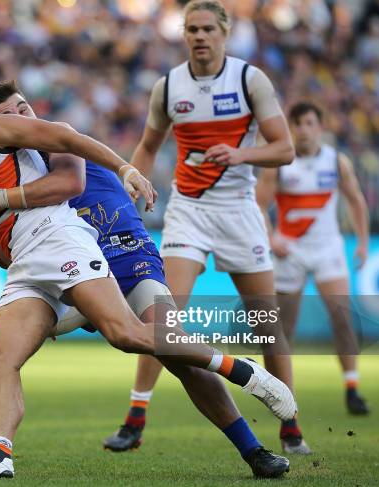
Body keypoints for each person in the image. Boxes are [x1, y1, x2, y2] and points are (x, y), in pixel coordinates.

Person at [0, 81, 296, 478]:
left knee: (139, 338)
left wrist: (126, 170)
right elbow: (1, 235)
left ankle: (246, 399)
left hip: (112, 253)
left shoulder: (17, 138)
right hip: (38, 262)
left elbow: (69, 176)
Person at [104, 0, 310, 455]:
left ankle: (290, 426)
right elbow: (148, 145)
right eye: (191, 29)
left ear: (224, 33)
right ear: (185, 34)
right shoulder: (168, 86)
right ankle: (135, 418)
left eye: (207, 29)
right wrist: (129, 187)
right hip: (188, 210)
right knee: (163, 319)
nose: (199, 36)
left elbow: (284, 149)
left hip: (239, 210)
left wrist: (240, 154)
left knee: (266, 326)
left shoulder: (249, 79)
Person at [256, 101, 370, 415]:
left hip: (327, 249)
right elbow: (258, 204)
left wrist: (362, 243)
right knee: (283, 327)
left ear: (320, 127)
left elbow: (356, 201)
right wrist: (271, 236)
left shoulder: (336, 161)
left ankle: (352, 388)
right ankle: (283, 395)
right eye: (298, 124)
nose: (303, 130)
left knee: (342, 317)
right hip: (289, 251)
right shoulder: (280, 163)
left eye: (309, 123)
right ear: (290, 128)